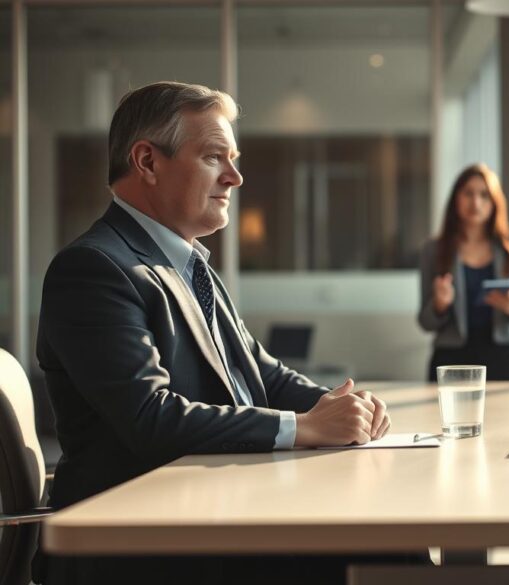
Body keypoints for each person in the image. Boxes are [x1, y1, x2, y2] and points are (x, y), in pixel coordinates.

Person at [34, 81, 420, 585]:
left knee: (396, 533)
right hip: (149, 540)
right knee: (393, 552)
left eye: (233, 159)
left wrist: (344, 406)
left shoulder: (189, 264)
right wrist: (303, 428)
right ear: (148, 162)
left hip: (215, 508)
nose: (235, 178)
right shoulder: (94, 268)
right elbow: (150, 418)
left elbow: (261, 372)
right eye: (215, 157)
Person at [418, 163, 509, 381]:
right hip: (451, 358)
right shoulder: (433, 250)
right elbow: (425, 322)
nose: (476, 202)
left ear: (495, 202)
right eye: (468, 194)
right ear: (456, 199)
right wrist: (439, 305)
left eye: (484, 195)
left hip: (504, 357)